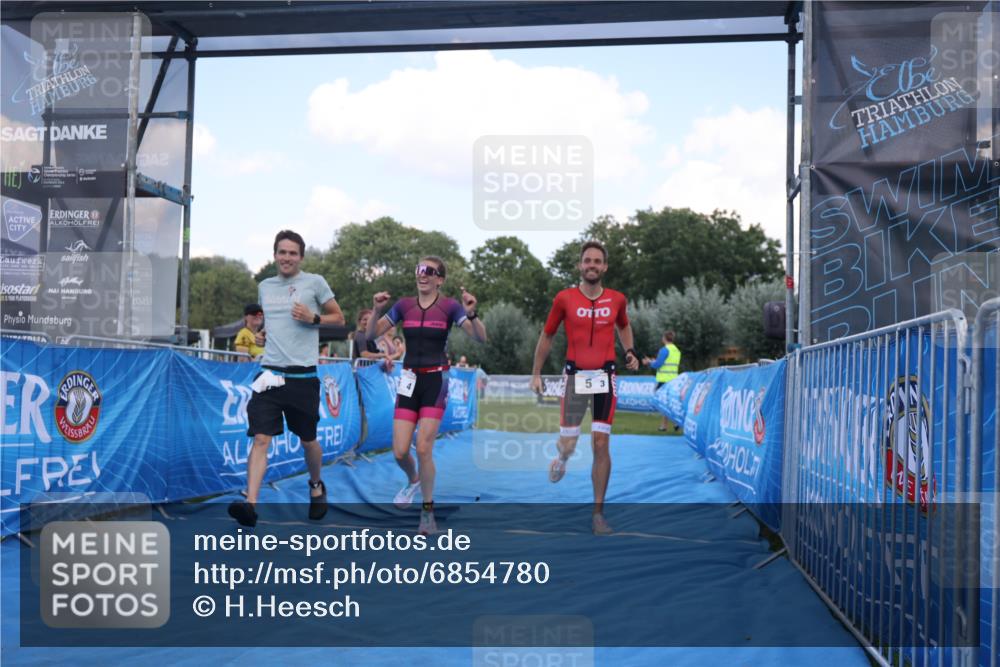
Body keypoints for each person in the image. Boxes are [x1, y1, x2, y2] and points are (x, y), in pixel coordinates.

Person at [228, 230, 346, 528]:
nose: (287, 257)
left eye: (293, 253)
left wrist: (314, 318)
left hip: (303, 377)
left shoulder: (314, 283)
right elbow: (273, 321)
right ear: (274, 255)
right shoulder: (265, 287)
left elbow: (340, 318)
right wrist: (264, 333)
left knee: (308, 441)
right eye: (282, 252)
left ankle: (316, 485)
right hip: (269, 375)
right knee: (261, 438)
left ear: (301, 257)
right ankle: (250, 505)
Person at [367, 257, 486, 534]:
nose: (423, 275)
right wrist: (376, 310)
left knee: (423, 448)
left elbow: (480, 337)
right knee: (398, 451)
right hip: (409, 379)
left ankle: (427, 513)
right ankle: (413, 479)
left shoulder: (450, 307)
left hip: (436, 379)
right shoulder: (403, 306)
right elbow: (371, 333)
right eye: (419, 270)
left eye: (429, 271)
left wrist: (472, 313)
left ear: (439, 279)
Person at [530, 241, 640, 535]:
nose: (592, 265)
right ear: (581, 265)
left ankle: (598, 513)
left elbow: (624, 325)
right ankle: (562, 457)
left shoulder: (617, 299)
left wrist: (629, 350)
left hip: (605, 376)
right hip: (575, 378)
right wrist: (537, 372)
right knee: (569, 443)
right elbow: (548, 335)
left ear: (604, 267)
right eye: (587, 261)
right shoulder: (564, 299)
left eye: (597, 261)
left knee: (601, 443)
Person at [644, 330, 682, 432]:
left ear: (664, 338)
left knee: (661, 403)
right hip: (674, 379)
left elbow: (658, 365)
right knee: (669, 402)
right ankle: (673, 423)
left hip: (663, 380)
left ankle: (667, 425)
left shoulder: (664, 350)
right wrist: (653, 361)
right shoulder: (677, 350)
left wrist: (649, 362)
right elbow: (666, 363)